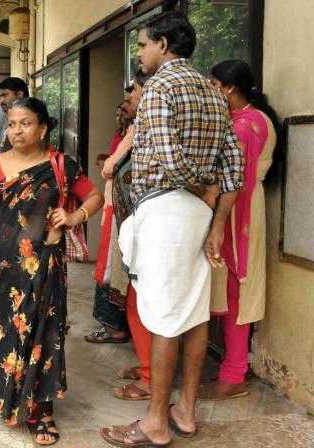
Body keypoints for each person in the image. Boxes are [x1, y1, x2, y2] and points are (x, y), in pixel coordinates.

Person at [101, 12, 244, 447]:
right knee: (194, 314)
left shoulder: (161, 85)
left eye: (142, 45)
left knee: (164, 316)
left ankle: (155, 423)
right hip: (197, 215)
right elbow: (234, 164)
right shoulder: (212, 90)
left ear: (163, 45)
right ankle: (184, 411)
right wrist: (216, 217)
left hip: (167, 210)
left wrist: (198, 187)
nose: (139, 53)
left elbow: (166, 155)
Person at [0, 97, 102, 446]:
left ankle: (42, 411)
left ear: (43, 128)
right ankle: (3, 393)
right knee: (1, 333)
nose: (16, 131)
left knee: (44, 336)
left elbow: (95, 197)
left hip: (44, 268)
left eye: (25, 124)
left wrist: (74, 216)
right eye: (11, 124)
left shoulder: (60, 166)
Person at [197, 60, 280, 401]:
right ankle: (229, 370)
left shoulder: (248, 124)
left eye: (214, 85)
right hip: (235, 209)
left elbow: (236, 177)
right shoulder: (241, 120)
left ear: (229, 88)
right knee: (231, 291)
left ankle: (233, 375)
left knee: (237, 291)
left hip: (239, 212)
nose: (211, 90)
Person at [102, 71, 157, 402]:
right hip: (134, 223)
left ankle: (151, 375)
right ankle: (148, 366)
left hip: (140, 226)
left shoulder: (144, 132)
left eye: (135, 92)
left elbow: (110, 168)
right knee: (139, 299)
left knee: (141, 300)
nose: (131, 98)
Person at [86, 101, 131, 347]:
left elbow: (111, 169)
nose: (118, 117)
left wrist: (108, 164)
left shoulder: (136, 132)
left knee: (110, 267)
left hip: (119, 206)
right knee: (109, 265)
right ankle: (112, 324)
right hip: (114, 203)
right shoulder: (122, 134)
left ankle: (115, 327)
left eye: (122, 112)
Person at [0, 77, 29, 152]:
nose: (0, 101)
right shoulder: (12, 120)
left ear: (19, 94)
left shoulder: (32, 123)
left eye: (5, 95)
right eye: (0, 96)